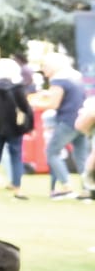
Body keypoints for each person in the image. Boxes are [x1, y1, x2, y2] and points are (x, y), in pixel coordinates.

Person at [0, 52, 35, 199]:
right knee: (16, 156)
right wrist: (30, 126)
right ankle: (17, 187)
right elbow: (26, 108)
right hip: (14, 127)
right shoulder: (17, 89)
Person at [41, 52, 90, 200]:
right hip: (82, 121)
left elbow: (53, 104)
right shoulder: (76, 77)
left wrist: (34, 102)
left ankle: (66, 187)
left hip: (67, 121)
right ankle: (89, 188)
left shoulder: (59, 80)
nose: (43, 69)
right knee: (82, 156)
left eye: (45, 66)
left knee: (52, 152)